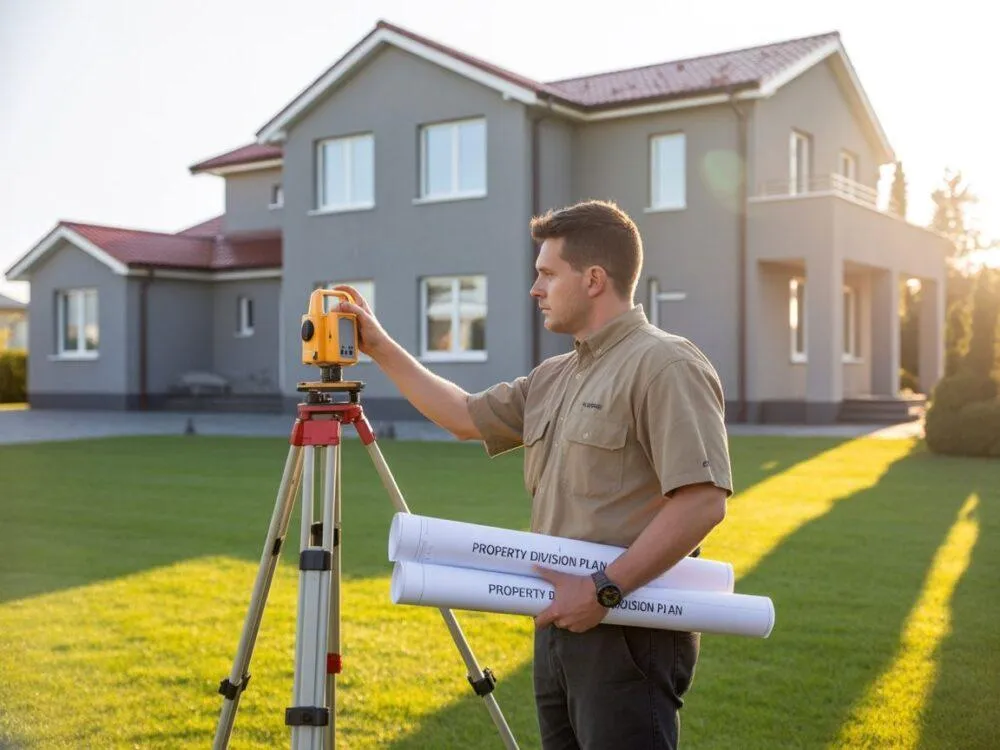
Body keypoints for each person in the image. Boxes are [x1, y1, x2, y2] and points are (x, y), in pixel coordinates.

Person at [335, 199, 733, 749]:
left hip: (628, 626)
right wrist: (377, 345)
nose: (535, 288)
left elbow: (702, 501)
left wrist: (603, 591)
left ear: (593, 279)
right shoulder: (555, 376)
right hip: (557, 620)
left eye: (547, 273)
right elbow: (462, 416)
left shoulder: (666, 365)